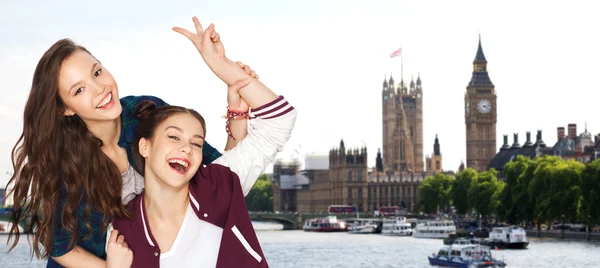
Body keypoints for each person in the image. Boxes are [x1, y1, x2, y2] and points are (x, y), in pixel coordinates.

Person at [6, 21, 256, 268]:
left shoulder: (145, 113)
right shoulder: (67, 162)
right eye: (79, 90)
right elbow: (59, 247)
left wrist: (237, 109)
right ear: (66, 108)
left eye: (96, 72)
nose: (100, 89)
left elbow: (223, 180)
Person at [109, 17, 296, 268]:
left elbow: (279, 121)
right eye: (173, 137)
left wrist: (221, 66)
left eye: (197, 143)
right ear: (145, 146)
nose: (187, 147)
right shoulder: (120, 231)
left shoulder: (219, 186)